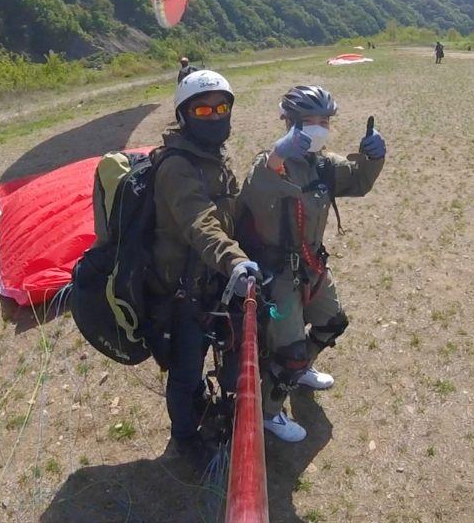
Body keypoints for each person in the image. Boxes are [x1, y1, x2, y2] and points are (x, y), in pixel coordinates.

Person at [236, 85, 386, 442]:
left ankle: (302, 370)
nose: (319, 128)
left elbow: (359, 181)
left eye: (325, 121)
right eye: (309, 122)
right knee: (289, 352)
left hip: (314, 268)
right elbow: (253, 195)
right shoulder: (270, 164)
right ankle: (269, 413)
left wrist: (372, 158)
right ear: (288, 123)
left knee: (333, 323)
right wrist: (276, 158)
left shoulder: (324, 164)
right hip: (277, 274)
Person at [151, 70, 260, 468]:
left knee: (231, 348)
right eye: (202, 109)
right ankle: (184, 438)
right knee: (185, 370)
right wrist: (234, 259)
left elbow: (229, 210)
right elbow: (201, 222)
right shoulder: (177, 167)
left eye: (221, 108)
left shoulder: (211, 157)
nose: (213, 116)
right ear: (184, 115)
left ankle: (213, 406)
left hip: (216, 279)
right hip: (185, 290)